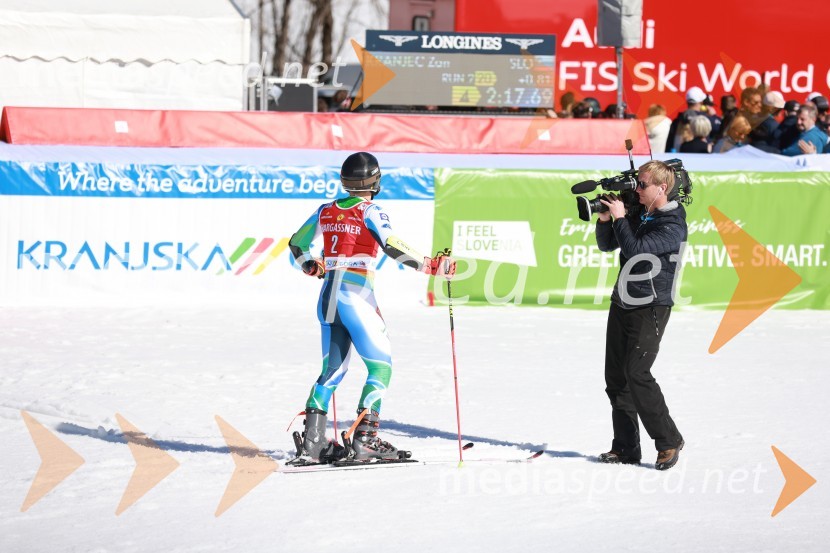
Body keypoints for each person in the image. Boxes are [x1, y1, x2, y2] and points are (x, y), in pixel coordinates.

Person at [287, 152, 455, 464]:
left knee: (332, 370)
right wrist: (432, 266)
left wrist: (311, 265)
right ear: (375, 181)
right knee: (380, 367)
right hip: (356, 295)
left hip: (327, 297)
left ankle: (313, 441)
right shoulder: (371, 210)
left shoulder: (325, 210)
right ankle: (366, 438)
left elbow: (296, 245)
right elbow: (391, 245)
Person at [595, 160, 686, 471]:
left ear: (662, 188)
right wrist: (607, 219)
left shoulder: (672, 226)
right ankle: (625, 447)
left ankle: (669, 440)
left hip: (651, 306)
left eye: (643, 185)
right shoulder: (639, 213)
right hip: (623, 301)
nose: (637, 189)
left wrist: (622, 219)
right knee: (616, 378)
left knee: (637, 373)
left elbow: (636, 251)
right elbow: (608, 245)